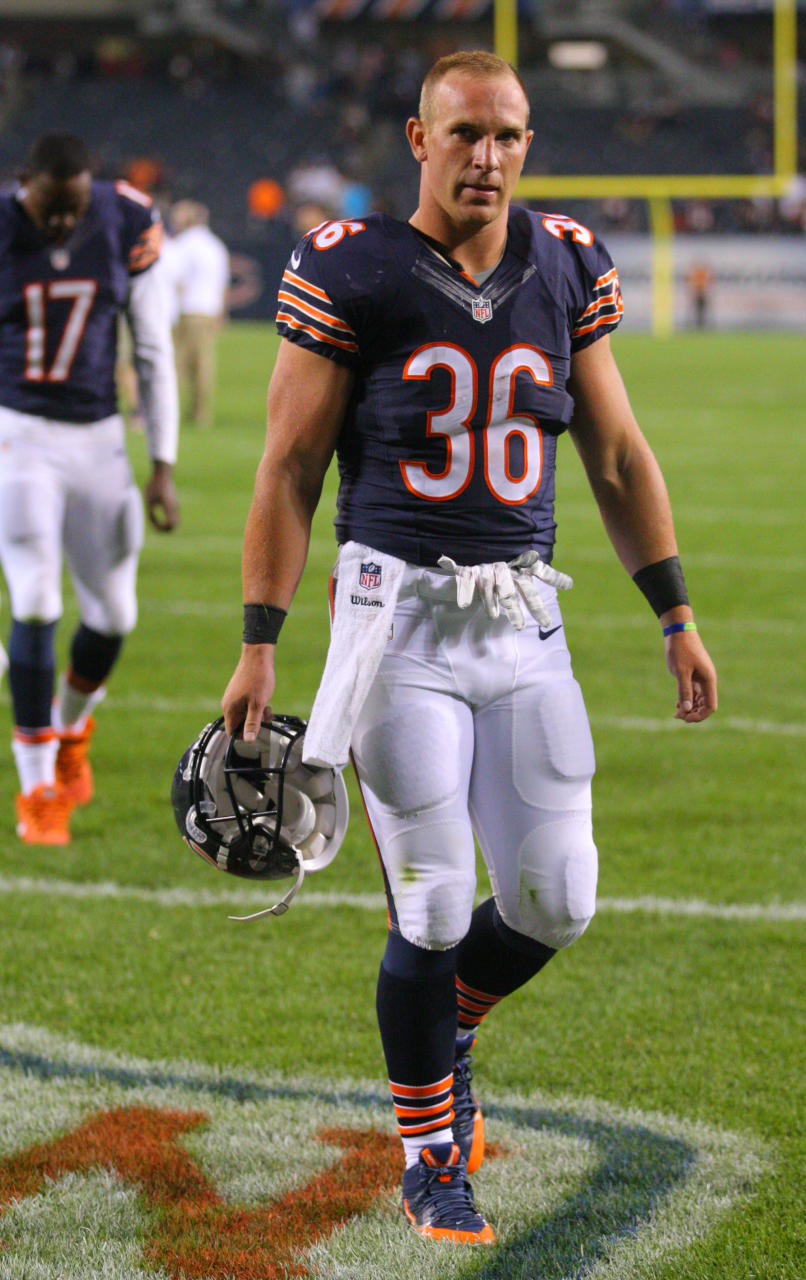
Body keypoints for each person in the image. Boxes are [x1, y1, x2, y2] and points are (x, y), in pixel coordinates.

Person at [220, 51, 717, 1245]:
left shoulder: (566, 260)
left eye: (508, 135)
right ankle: (430, 1151)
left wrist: (676, 613)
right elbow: (288, 465)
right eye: (465, 134)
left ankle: (450, 1031)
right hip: (398, 626)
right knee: (436, 904)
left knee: (557, 897)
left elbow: (618, 456)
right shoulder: (355, 265)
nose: (487, 156)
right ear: (418, 137)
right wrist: (259, 642)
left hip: (525, 619)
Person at [0, 133, 179, 845]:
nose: (62, 225)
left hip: (100, 437)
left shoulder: (127, 217)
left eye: (73, 209)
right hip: (20, 434)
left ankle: (70, 730)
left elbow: (153, 346)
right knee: (37, 595)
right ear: (25, 184)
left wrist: (162, 460)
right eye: (50, 208)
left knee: (113, 615)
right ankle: (37, 785)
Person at [165, 199, 230, 429]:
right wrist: (221, 312)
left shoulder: (183, 244)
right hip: (208, 310)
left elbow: (175, 279)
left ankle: (169, 410)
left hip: (187, 310)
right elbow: (223, 283)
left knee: (177, 363)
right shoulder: (216, 245)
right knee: (203, 363)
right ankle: (201, 413)